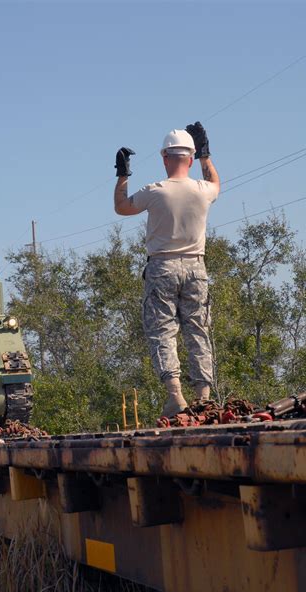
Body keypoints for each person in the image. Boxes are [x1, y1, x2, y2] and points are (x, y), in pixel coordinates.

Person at [113, 122, 220, 417]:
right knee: (197, 330)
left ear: (164, 158)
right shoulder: (203, 190)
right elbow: (216, 183)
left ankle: (176, 396)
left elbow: (121, 206)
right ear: (189, 158)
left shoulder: (155, 191)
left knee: (162, 331)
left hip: (162, 266)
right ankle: (203, 397)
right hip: (197, 267)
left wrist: (123, 174)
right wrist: (205, 156)